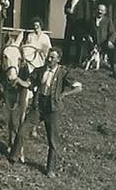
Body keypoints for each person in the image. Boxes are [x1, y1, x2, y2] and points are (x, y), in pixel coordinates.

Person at [9, 49, 82, 177]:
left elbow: (78, 87)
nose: (49, 59)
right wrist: (19, 81)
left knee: (52, 140)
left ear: (58, 59)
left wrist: (65, 93)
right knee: (22, 131)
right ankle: (13, 157)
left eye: (52, 57)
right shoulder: (40, 70)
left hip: (53, 109)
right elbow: (29, 83)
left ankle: (50, 169)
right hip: (38, 106)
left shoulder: (63, 73)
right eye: (48, 57)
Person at [63, 0, 92, 66]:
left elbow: (87, 15)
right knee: (67, 42)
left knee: (78, 43)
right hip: (70, 24)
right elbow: (65, 8)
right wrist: (67, 10)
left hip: (79, 26)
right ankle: (66, 60)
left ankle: (77, 62)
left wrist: (85, 28)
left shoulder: (84, 1)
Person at [92, 3, 116, 76]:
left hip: (104, 43)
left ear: (105, 12)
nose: (100, 12)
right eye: (98, 10)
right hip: (92, 44)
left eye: (102, 10)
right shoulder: (91, 20)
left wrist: (110, 41)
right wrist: (88, 37)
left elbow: (113, 33)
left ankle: (113, 67)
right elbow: (86, 30)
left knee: (112, 49)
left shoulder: (108, 21)